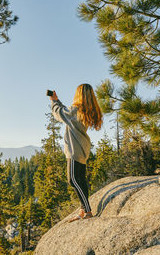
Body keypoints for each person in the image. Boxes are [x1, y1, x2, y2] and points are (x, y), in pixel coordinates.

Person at [49, 83, 103, 222]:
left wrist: (54, 102)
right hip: (82, 148)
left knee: (73, 179)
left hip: (75, 149)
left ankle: (88, 211)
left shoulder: (76, 109)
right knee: (80, 179)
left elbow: (60, 114)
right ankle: (82, 210)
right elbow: (67, 112)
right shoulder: (84, 110)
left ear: (79, 94)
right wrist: (57, 100)